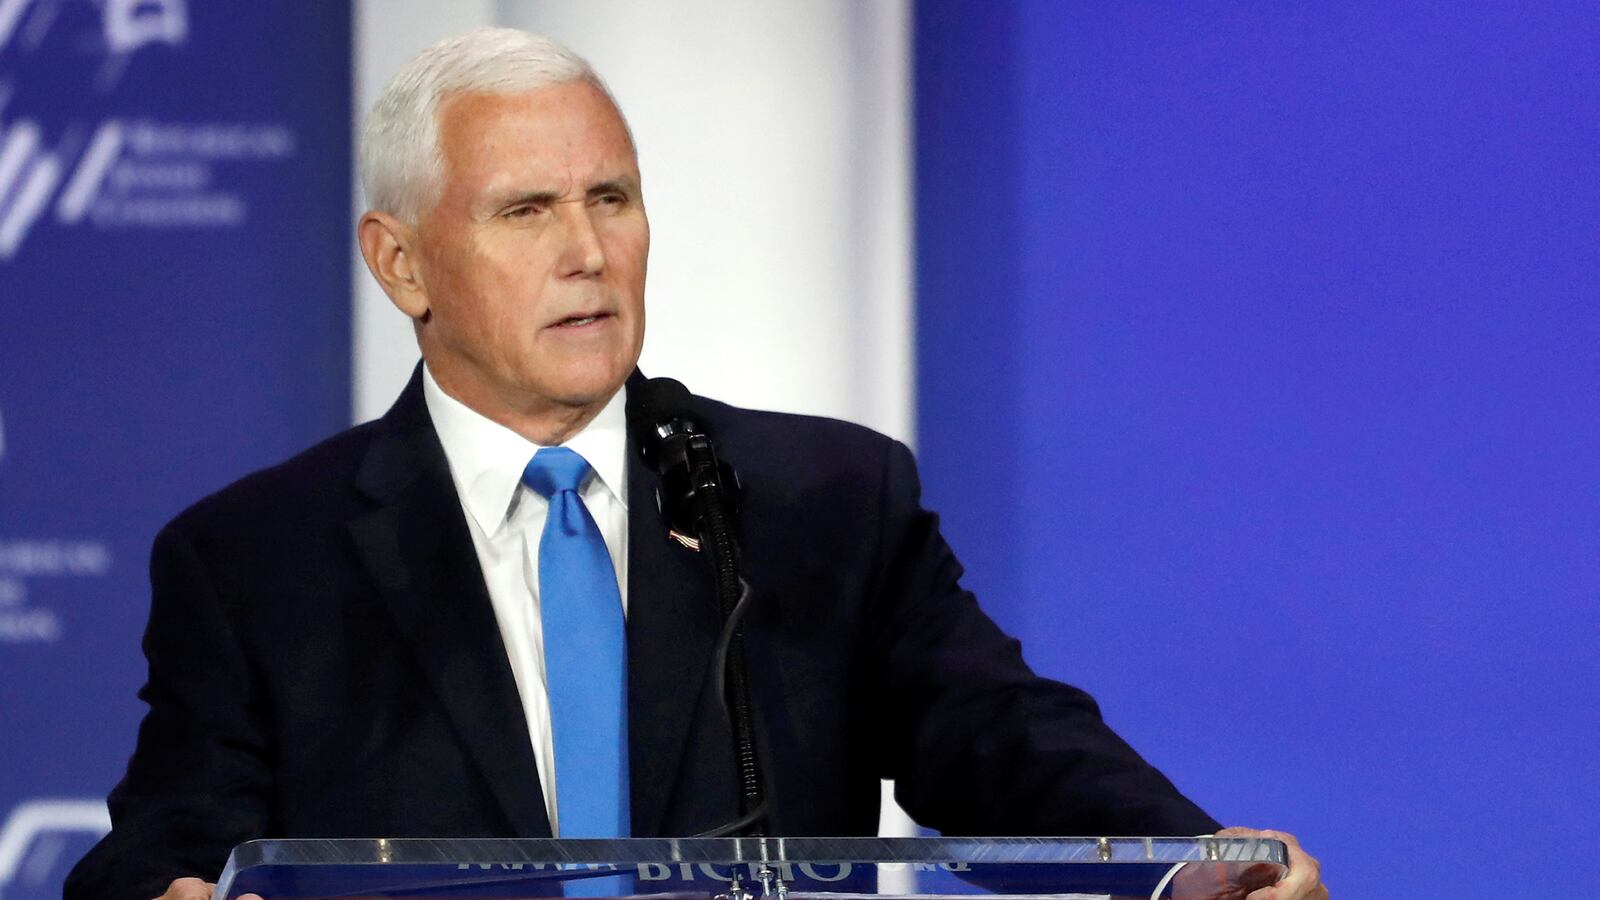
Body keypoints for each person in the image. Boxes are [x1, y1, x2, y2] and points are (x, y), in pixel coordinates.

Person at [65, 28, 1327, 900]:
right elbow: (175, 832)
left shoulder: (818, 499)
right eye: (526, 210)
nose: (588, 251)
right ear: (400, 262)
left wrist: (1188, 860)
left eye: (610, 197)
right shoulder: (256, 560)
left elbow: (996, 733)